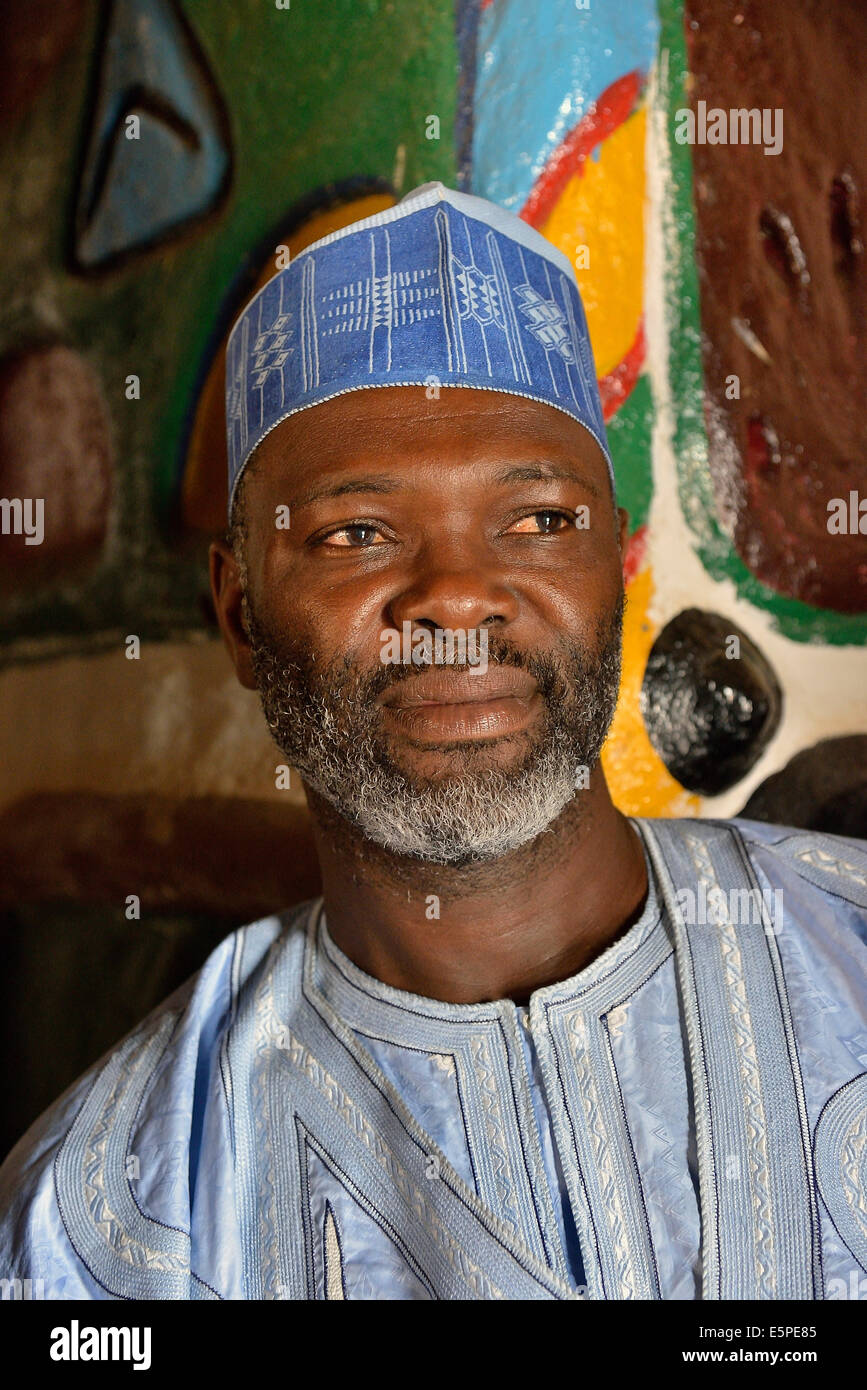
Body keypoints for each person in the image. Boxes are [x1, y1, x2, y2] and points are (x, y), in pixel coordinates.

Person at [1, 182, 865, 1301]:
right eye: (356, 533)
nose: (458, 595)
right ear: (239, 615)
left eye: (539, 519)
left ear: (612, 560)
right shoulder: (103, 1226)